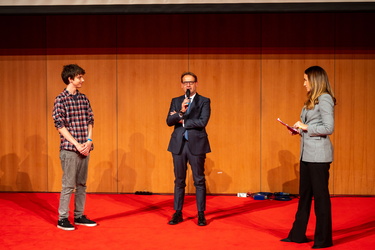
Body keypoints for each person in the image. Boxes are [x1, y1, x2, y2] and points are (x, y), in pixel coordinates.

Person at [281, 66, 336, 248]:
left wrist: (306, 128)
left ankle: (323, 240)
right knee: (304, 196)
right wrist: (297, 130)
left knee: (320, 198)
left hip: (319, 156)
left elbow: (329, 128)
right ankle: (297, 234)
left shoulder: (325, 98)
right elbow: (310, 124)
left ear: (315, 80)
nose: (304, 83)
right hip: (306, 154)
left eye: (306, 80)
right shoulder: (311, 100)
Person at [52, 64, 97, 231]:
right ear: (70, 79)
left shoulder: (84, 98)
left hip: (85, 148)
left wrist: (89, 140)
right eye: (79, 77)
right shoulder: (60, 99)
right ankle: (62, 218)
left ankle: (79, 215)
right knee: (68, 185)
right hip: (69, 149)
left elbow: (90, 120)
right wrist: (77, 144)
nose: (82, 80)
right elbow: (60, 125)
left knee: (82, 184)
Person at [166, 72, 211, 226]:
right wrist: (181, 111)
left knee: (199, 180)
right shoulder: (176, 101)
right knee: (179, 181)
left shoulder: (204, 101)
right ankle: (178, 212)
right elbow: (169, 121)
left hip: (197, 144)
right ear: (181, 85)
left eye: (191, 82)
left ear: (196, 84)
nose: (188, 85)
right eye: (185, 83)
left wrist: (182, 121)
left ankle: (200, 214)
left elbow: (203, 122)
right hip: (178, 145)